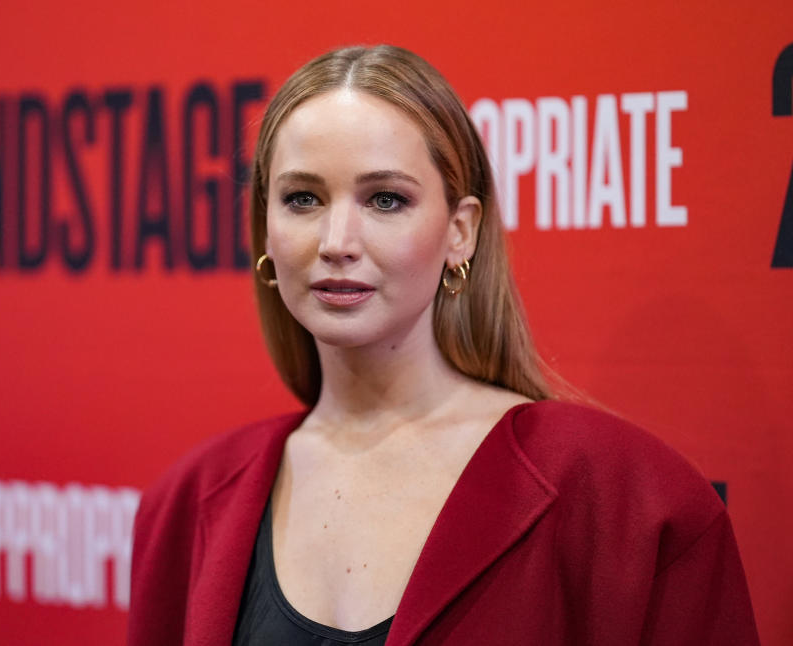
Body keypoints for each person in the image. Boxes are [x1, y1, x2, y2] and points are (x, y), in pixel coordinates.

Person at [127, 45, 760, 645]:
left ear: (461, 231)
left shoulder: (628, 500)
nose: (337, 240)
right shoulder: (186, 504)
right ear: (265, 226)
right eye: (302, 198)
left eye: (385, 199)